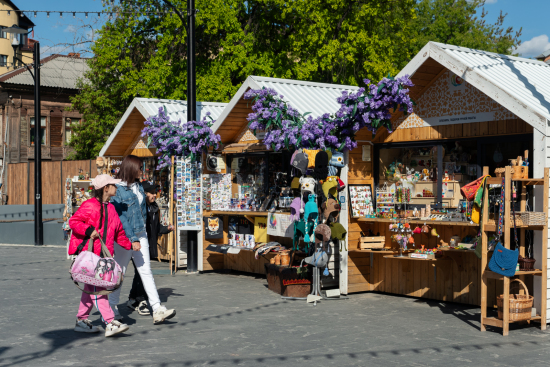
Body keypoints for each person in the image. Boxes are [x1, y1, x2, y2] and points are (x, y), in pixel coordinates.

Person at [108, 155, 176, 324]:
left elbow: (142, 212)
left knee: (146, 270)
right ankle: (111, 307)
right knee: (120, 272)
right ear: (131, 168)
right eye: (139, 168)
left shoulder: (138, 186)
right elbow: (121, 217)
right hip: (125, 236)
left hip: (141, 233)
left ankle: (157, 308)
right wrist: (132, 238)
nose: (142, 171)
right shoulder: (117, 189)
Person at [68, 174, 133, 337]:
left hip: (103, 257)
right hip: (91, 256)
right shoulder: (90, 205)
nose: (116, 187)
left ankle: (81, 320)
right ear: (105, 188)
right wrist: (89, 230)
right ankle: (110, 322)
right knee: (99, 289)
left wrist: (132, 245)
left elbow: (118, 232)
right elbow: (74, 222)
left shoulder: (111, 208)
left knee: (91, 288)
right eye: (113, 185)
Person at [126, 182, 174, 314]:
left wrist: (167, 229)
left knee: (140, 273)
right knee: (141, 272)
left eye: (155, 193)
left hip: (149, 244)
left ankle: (133, 298)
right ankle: (140, 299)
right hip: (137, 243)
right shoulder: (138, 209)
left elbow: (157, 228)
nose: (154, 195)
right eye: (152, 193)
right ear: (144, 193)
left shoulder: (154, 208)